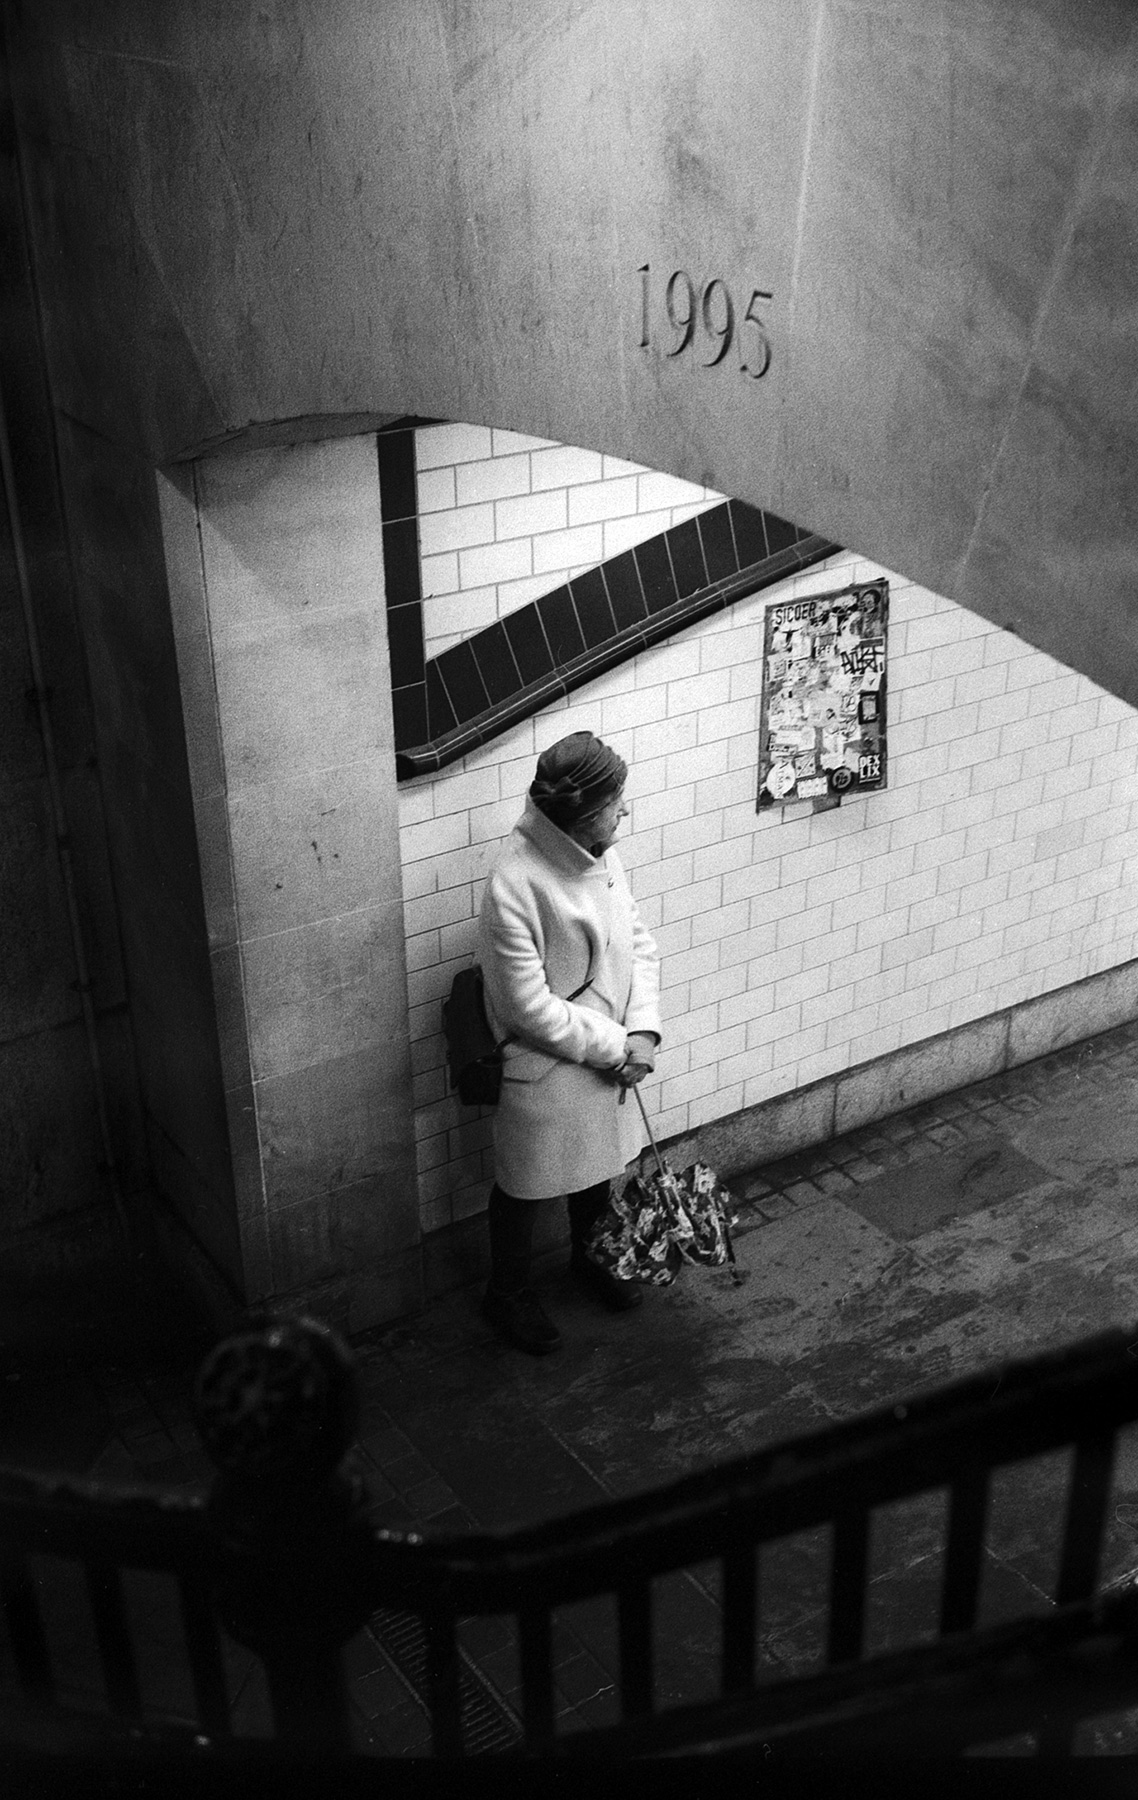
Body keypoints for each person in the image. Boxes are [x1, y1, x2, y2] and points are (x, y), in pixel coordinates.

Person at [476, 730, 662, 1354]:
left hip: (609, 1050)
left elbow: (637, 942)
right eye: (615, 803)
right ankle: (506, 1293)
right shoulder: (513, 881)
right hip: (545, 1063)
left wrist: (643, 1029)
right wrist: (617, 1045)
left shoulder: (602, 855)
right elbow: (525, 1008)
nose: (624, 812)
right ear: (581, 815)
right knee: (525, 1184)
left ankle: (592, 1257)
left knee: (597, 1167)